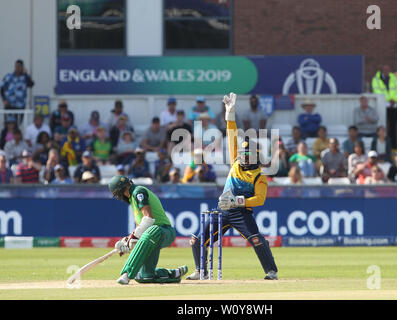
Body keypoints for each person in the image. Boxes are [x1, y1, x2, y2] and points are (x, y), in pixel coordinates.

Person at [185, 92, 278, 281]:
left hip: (241, 212)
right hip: (223, 209)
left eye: (247, 154)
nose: (242, 156)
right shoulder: (236, 161)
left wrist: (238, 201)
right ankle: (200, 271)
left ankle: (271, 271)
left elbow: (260, 200)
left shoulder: (258, 176)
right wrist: (230, 113)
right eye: (242, 153)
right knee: (196, 240)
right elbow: (232, 134)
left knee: (257, 240)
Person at [109, 175, 188, 284]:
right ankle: (173, 273)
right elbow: (140, 228)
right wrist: (126, 242)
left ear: (120, 191)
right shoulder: (133, 199)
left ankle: (126, 274)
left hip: (164, 231)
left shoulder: (138, 192)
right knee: (144, 277)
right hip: (151, 236)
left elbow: (148, 219)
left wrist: (133, 238)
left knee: (151, 231)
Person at [371, 65, 397, 145]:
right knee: (382, 125)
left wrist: (395, 100)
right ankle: (382, 144)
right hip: (383, 105)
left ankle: (393, 144)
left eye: (388, 70)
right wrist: (389, 99)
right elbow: (377, 91)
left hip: (393, 105)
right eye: (385, 70)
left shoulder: (394, 78)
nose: (386, 71)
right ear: (382, 70)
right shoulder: (376, 79)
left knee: (393, 126)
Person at [0, 59, 34, 125]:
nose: (18, 68)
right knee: (8, 123)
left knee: (18, 124)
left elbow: (31, 84)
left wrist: (26, 74)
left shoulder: (25, 77)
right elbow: (1, 87)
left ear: (22, 67)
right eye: (17, 66)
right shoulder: (9, 76)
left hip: (20, 106)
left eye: (20, 66)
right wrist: (4, 99)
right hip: (9, 105)